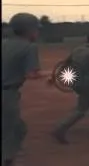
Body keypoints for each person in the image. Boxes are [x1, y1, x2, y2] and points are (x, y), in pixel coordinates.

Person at [2, 13, 51, 166]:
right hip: (7, 94)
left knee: (18, 128)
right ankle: (8, 159)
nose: (37, 32)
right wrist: (53, 73)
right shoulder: (29, 47)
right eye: (36, 29)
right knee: (11, 130)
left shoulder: (3, 43)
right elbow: (31, 74)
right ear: (29, 30)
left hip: (8, 92)